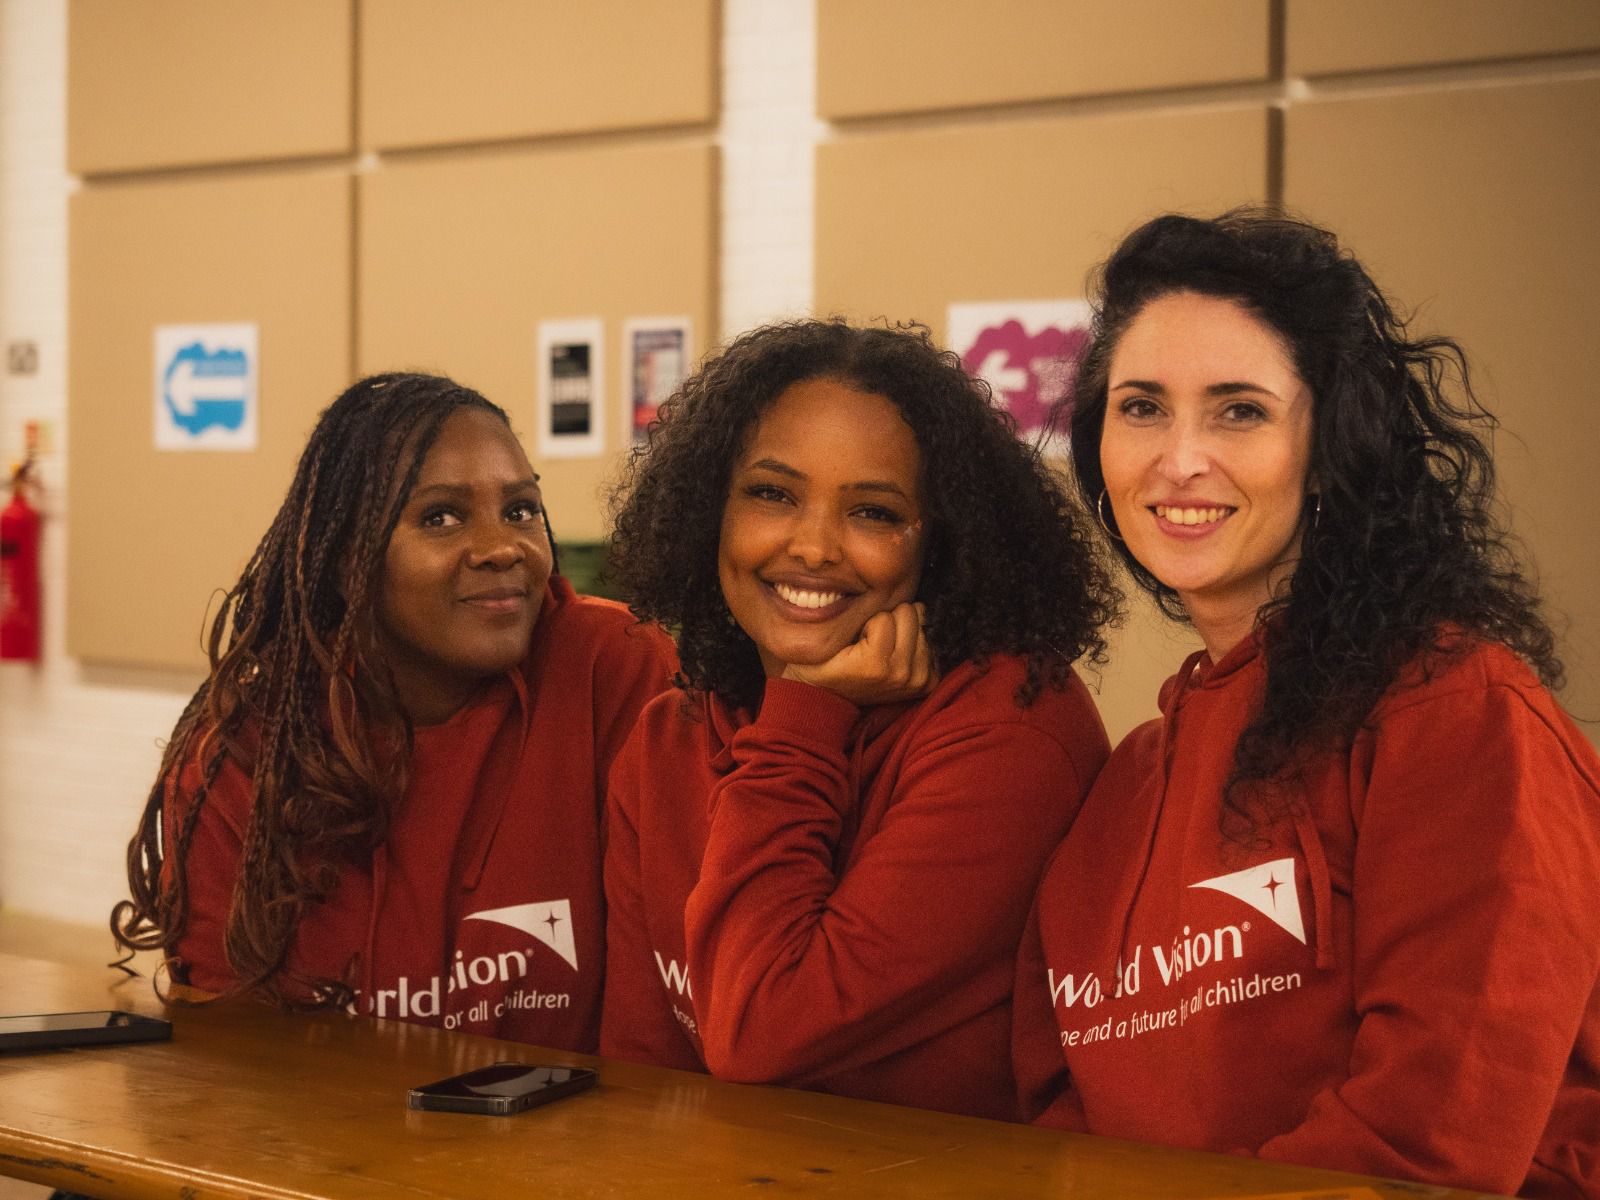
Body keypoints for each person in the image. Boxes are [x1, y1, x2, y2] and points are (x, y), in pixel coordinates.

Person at [1013, 210, 1600, 1197]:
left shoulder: (1455, 711)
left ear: (1329, 447)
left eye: (1237, 410)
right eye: (1141, 406)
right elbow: (1056, 1119)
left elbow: (1427, 1149)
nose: (1179, 457)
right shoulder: (1120, 788)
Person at [600, 318, 1116, 1120]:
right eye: (772, 494)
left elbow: (762, 1031)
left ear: (937, 545)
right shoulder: (667, 738)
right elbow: (643, 1079)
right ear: (711, 512)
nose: (812, 548)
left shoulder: (1010, 731)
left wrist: (809, 713)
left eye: (873, 512)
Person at [112, 372, 676, 1053]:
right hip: (327, 1148)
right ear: (350, 554)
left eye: (522, 509)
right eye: (440, 516)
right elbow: (227, 1059)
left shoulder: (616, 668)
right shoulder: (248, 756)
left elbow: (673, 1005)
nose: (504, 547)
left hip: (580, 1146)